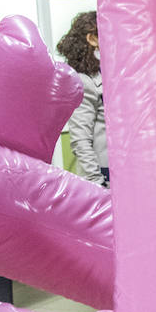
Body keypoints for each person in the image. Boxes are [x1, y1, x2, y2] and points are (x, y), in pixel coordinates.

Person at [55, 10, 107, 186]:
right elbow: (80, 139)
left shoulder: (106, 74)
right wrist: (97, 182)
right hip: (102, 174)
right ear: (92, 39)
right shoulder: (84, 81)